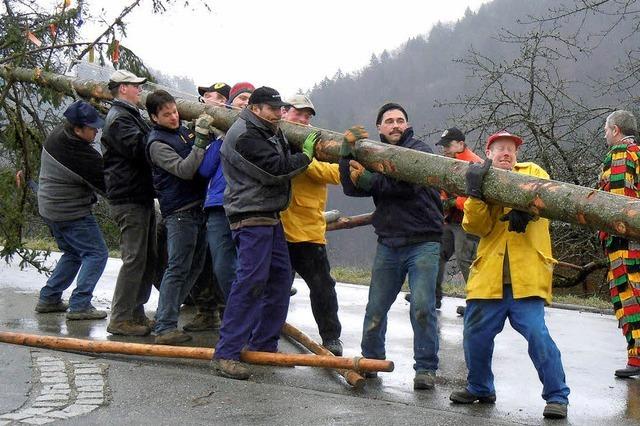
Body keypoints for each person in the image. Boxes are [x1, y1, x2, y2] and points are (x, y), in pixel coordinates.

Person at [449, 130, 570, 420]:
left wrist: (528, 210)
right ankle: (480, 388)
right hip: (488, 276)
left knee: (538, 336)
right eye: (500, 148)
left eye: (511, 148)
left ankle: (557, 396)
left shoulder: (533, 171)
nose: (506, 152)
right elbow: (475, 227)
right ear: (488, 153)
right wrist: (476, 194)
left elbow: (550, 200)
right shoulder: (479, 176)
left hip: (526, 278)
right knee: (474, 334)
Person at [213, 87, 316, 380]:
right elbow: (275, 169)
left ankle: (263, 346)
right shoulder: (245, 134)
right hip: (250, 214)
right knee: (251, 281)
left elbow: (280, 156)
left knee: (281, 278)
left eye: (280, 108)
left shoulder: (267, 128)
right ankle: (226, 353)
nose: (279, 113)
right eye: (273, 109)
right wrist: (305, 157)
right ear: (256, 109)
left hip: (269, 214)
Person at [340, 103, 443, 390]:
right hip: (389, 242)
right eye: (389, 121)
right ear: (379, 128)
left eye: (400, 120)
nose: (395, 125)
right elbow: (352, 187)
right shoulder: (372, 152)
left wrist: (371, 179)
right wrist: (346, 153)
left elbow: (407, 187)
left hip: (424, 241)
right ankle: (372, 360)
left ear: (407, 125)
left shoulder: (419, 150)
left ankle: (425, 369)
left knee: (422, 307)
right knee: (375, 308)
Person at [145, 90, 211, 344]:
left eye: (175, 111)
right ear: (154, 117)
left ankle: (166, 315)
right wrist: (201, 140)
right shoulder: (157, 144)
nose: (173, 117)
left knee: (195, 266)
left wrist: (199, 135)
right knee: (178, 267)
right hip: (180, 213)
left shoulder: (182, 131)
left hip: (199, 208)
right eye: (166, 114)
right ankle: (164, 327)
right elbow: (185, 170)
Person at [280, 94, 343, 356]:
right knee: (276, 287)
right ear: (284, 112)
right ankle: (268, 331)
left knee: (323, 287)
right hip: (277, 227)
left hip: (309, 230)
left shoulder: (319, 143)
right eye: (298, 113)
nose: (303, 119)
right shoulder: (274, 137)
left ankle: (331, 338)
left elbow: (337, 173)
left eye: (307, 115)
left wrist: (305, 159)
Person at [35, 100, 109, 320]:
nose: (96, 131)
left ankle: (49, 298)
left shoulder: (60, 133)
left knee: (73, 253)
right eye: (92, 128)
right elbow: (109, 187)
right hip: (70, 211)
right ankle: (80, 305)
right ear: (77, 129)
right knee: (96, 253)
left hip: (49, 208)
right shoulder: (80, 155)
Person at [101, 69, 157, 336]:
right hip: (128, 197)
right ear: (122, 88)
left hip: (140, 195)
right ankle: (120, 318)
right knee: (134, 258)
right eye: (135, 86)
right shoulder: (119, 119)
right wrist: (163, 135)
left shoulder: (129, 115)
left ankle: (136, 313)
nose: (139, 90)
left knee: (147, 257)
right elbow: (140, 148)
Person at [596, 110, 640, 378]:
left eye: (605, 129)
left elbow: (618, 205)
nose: (604, 134)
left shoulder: (622, 154)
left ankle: (636, 358)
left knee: (629, 294)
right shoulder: (638, 152)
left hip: (625, 241)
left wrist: (610, 232)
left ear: (615, 130)